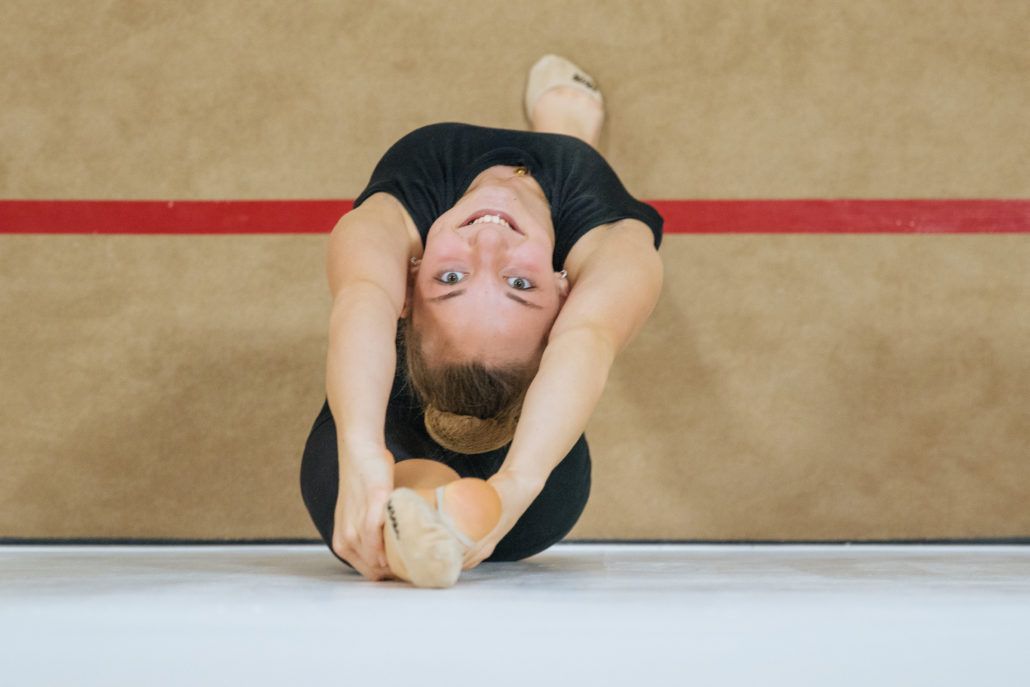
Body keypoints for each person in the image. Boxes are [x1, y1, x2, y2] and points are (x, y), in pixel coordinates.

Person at [300, 54, 664, 588]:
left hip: (381, 472)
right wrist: (518, 484)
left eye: (450, 279)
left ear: (409, 279)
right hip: (542, 502)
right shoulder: (614, 241)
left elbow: (362, 295)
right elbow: (588, 336)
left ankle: (425, 517)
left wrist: (359, 448)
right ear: (568, 292)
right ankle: (568, 135)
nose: (489, 241)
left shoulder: (398, 219)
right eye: (520, 285)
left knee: (405, 492)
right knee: (442, 489)